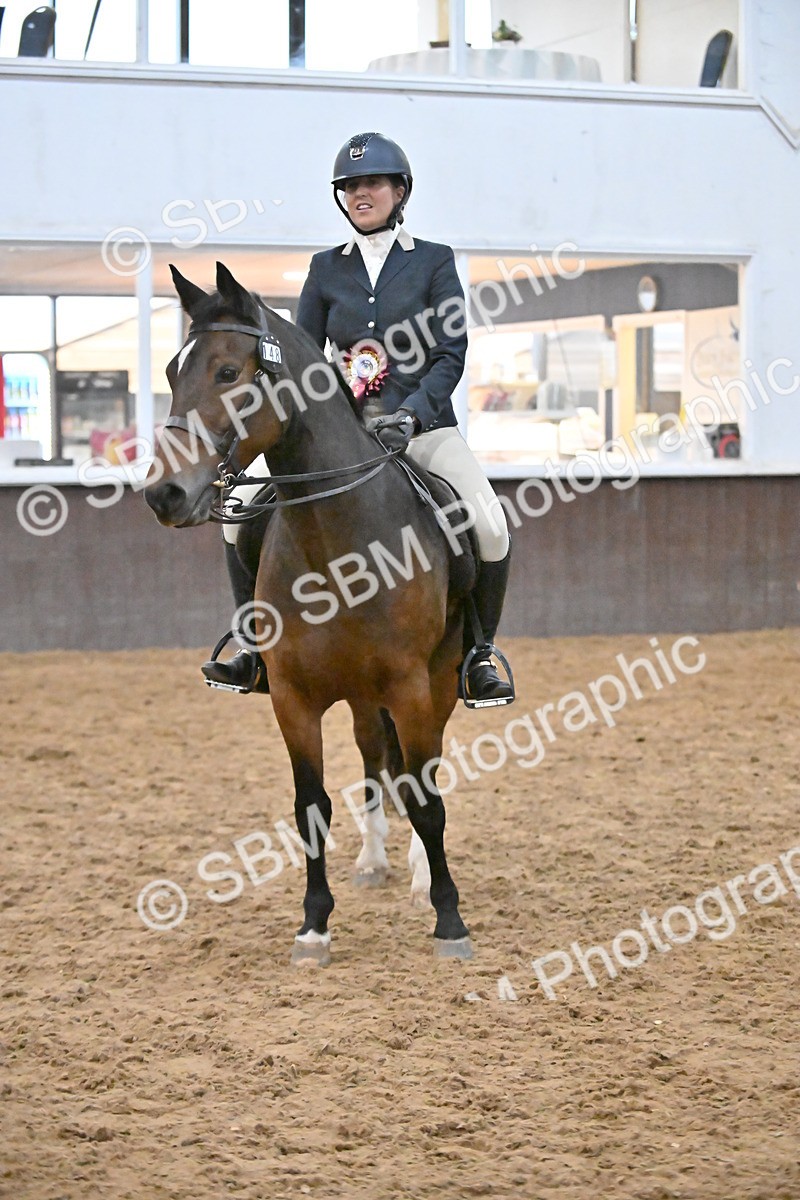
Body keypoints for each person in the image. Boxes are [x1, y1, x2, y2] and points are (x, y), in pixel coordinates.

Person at [201, 131, 514, 705]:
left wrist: (413, 415)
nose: (359, 194)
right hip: (344, 435)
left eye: (371, 183)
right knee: (236, 517)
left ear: (400, 191)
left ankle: (478, 653)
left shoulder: (434, 262)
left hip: (425, 429)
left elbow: (450, 354)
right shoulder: (325, 269)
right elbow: (303, 356)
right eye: (349, 186)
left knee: (490, 524)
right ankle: (252, 646)